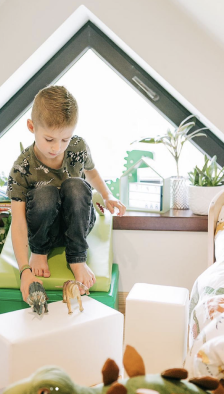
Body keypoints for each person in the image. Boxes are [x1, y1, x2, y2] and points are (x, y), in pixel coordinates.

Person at [7, 85, 126, 303]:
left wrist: (108, 195)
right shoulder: (22, 167)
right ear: (31, 127)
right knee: (45, 193)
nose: (57, 148)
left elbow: (91, 172)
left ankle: (77, 258)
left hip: (77, 224)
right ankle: (41, 251)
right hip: (45, 231)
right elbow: (18, 222)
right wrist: (25, 270)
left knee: (76, 184)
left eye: (65, 139)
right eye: (49, 139)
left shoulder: (78, 147)